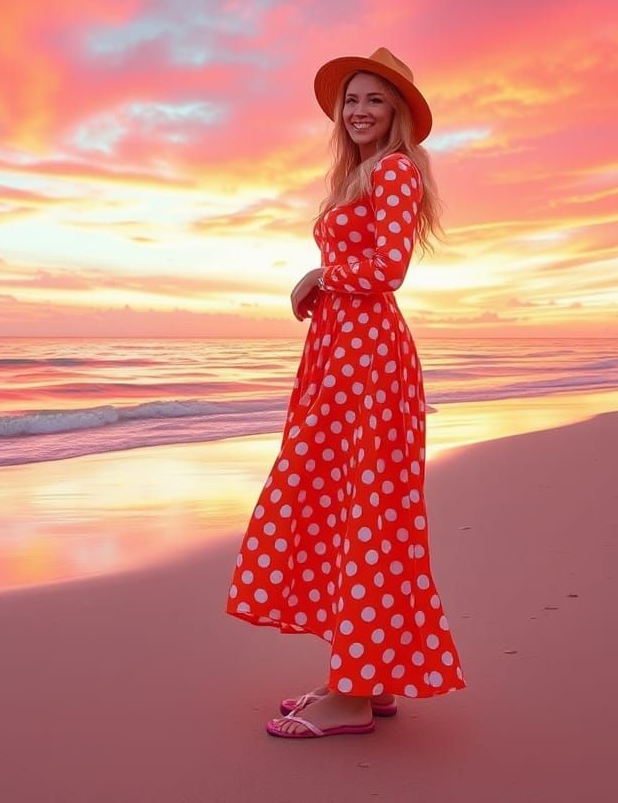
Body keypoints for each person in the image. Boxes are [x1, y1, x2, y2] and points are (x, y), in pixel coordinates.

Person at [224, 47, 467, 739]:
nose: (360, 111)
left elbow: (389, 269)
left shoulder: (393, 171)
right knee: (351, 506)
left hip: (365, 359)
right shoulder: (362, 174)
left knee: (361, 508)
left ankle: (353, 695)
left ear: (397, 115)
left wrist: (321, 277)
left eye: (375, 101)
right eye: (352, 101)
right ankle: (367, 677)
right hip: (345, 355)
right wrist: (321, 277)